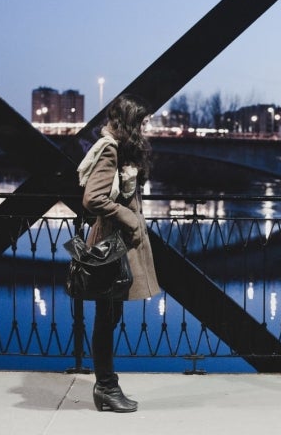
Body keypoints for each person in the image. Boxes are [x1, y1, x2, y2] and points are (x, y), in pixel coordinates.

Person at [77, 93, 161, 413]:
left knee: (109, 316)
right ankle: (107, 388)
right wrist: (129, 218)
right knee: (106, 316)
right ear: (129, 122)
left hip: (119, 244)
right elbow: (93, 198)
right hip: (112, 245)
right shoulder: (110, 149)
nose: (145, 128)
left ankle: (107, 386)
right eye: (141, 122)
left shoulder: (121, 149)